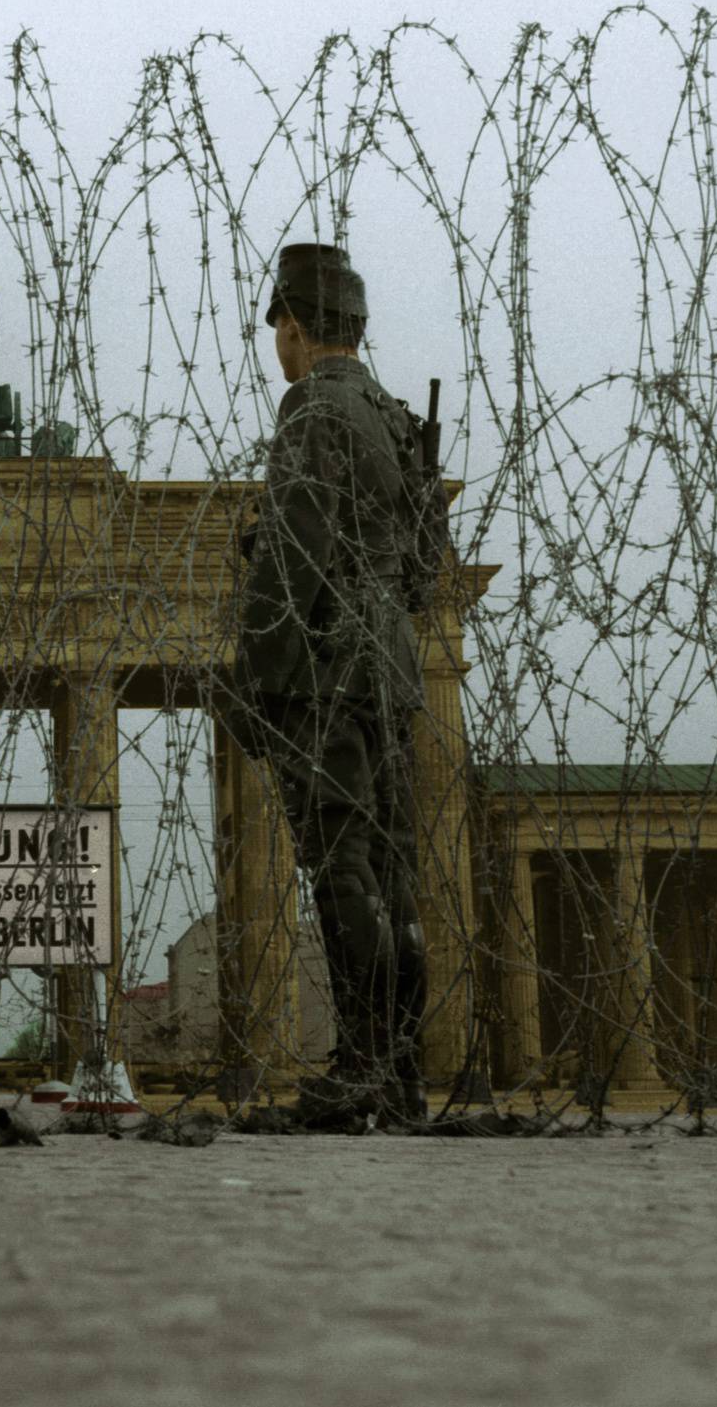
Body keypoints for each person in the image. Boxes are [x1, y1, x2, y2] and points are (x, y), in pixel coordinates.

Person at [228, 243, 448, 1127]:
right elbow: (426, 568)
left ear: (294, 324)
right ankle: (397, 1073)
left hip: (327, 663)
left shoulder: (313, 409)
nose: (277, 346)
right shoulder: (395, 420)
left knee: (341, 863)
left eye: (277, 328)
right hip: (390, 663)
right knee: (392, 873)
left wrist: (252, 681)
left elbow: (292, 556)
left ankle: (361, 1070)